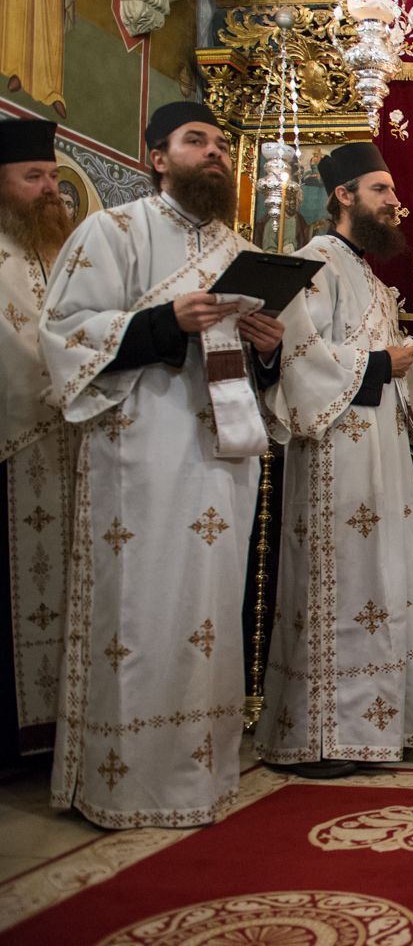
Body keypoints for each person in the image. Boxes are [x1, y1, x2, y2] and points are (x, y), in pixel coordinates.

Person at [40, 101, 286, 827]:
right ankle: (125, 783)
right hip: (140, 449)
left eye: (221, 144)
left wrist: (268, 347)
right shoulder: (112, 232)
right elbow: (65, 334)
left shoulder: (243, 251)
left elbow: (264, 373)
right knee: (141, 611)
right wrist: (161, 322)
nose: (214, 153)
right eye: (195, 141)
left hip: (221, 455)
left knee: (210, 611)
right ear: (157, 156)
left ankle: (200, 776)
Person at [257, 142, 413, 778]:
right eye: (382, 190)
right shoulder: (313, 262)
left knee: (382, 584)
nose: (396, 202)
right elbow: (295, 358)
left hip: (381, 457)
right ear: (344, 196)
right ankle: (321, 735)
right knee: (340, 586)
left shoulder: (369, 276)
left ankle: (376, 728)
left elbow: (392, 371)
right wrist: (375, 364)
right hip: (334, 458)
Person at [0, 118, 74, 765]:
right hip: (13, 450)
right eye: (33, 177)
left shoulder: (54, 254)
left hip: (66, 448)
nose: (49, 189)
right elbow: (22, 353)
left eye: (52, 176)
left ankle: (51, 733)